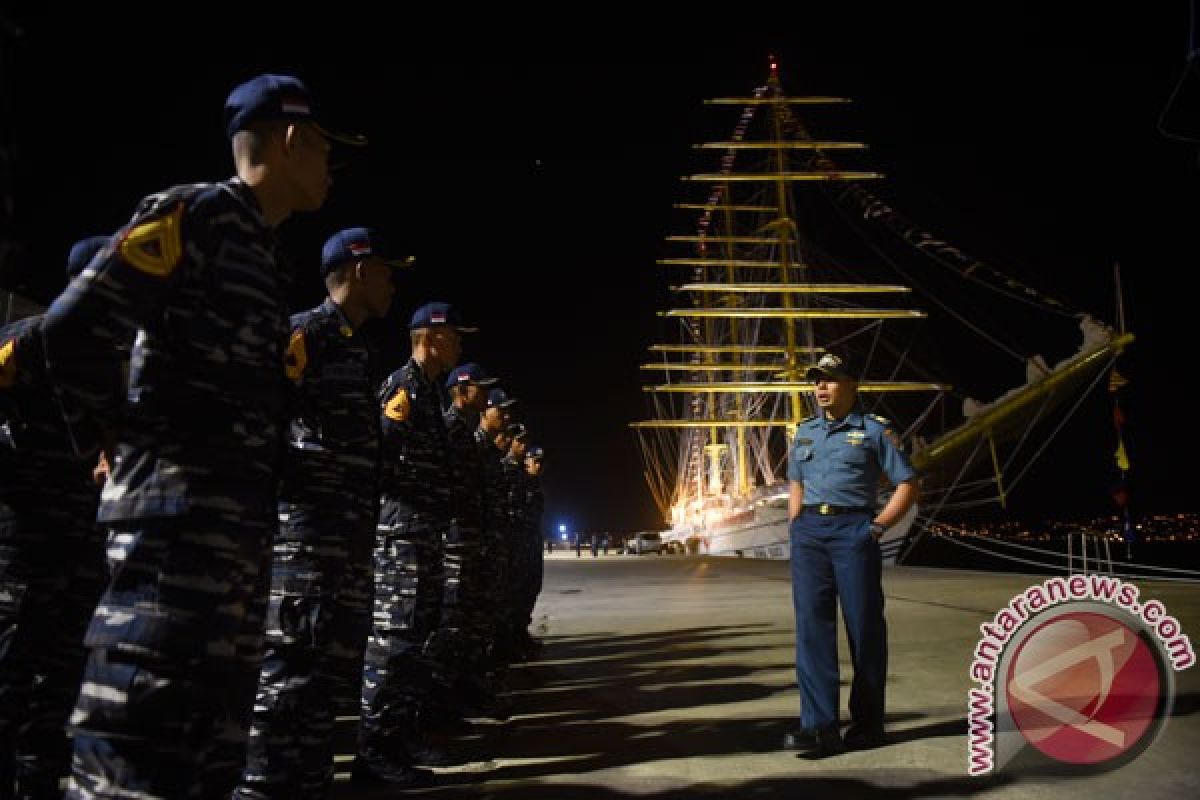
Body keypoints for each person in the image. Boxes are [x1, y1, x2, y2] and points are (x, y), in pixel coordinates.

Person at [39, 73, 357, 798]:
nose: (330, 173)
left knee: (205, 764)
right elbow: (75, 326)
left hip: (232, 556)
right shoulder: (196, 216)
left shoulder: (258, 250)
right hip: (170, 549)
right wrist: (112, 441)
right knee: (131, 764)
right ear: (290, 140)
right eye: (325, 153)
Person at [235, 227, 406, 799]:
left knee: (321, 687)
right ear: (359, 270)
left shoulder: (355, 346)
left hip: (346, 541)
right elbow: (256, 425)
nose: (392, 282)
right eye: (386, 270)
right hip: (304, 546)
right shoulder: (305, 336)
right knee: (285, 682)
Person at [0, 237, 109, 799]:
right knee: (14, 658)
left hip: (80, 534)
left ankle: (40, 778)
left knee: (65, 664)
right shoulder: (30, 340)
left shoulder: (110, 357)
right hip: (26, 534)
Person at [782, 352, 918, 757]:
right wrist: (795, 525)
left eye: (830, 379)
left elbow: (907, 483)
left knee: (864, 629)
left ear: (852, 385)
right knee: (812, 629)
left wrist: (876, 528)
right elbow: (796, 483)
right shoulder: (804, 432)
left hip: (852, 532)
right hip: (809, 535)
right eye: (816, 381)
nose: (820, 387)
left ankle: (868, 723)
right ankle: (819, 726)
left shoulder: (874, 432)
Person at [360, 301, 471, 783]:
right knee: (392, 644)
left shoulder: (428, 394)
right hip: (402, 538)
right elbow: (379, 458)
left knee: (413, 644)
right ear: (431, 338)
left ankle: (400, 741)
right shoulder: (402, 388)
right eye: (455, 336)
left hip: (423, 537)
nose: (461, 345)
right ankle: (373, 756)